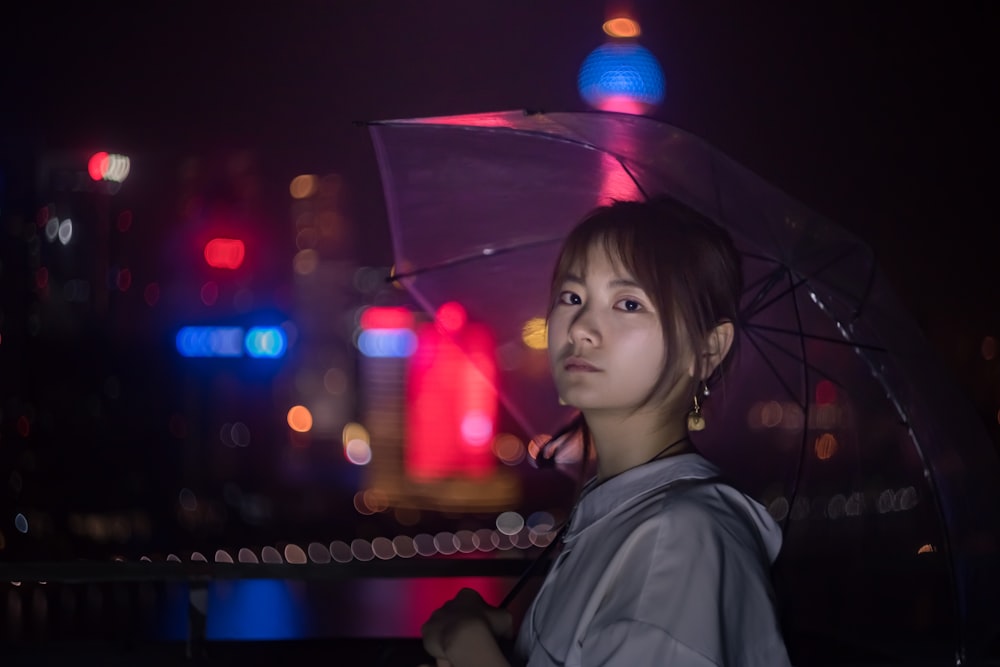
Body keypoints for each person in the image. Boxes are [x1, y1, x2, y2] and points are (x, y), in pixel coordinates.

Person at [420, 196, 792, 667]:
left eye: (628, 303)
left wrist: (470, 650)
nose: (581, 329)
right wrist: (513, 628)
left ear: (707, 350)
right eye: (572, 297)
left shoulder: (679, 538)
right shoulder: (619, 506)